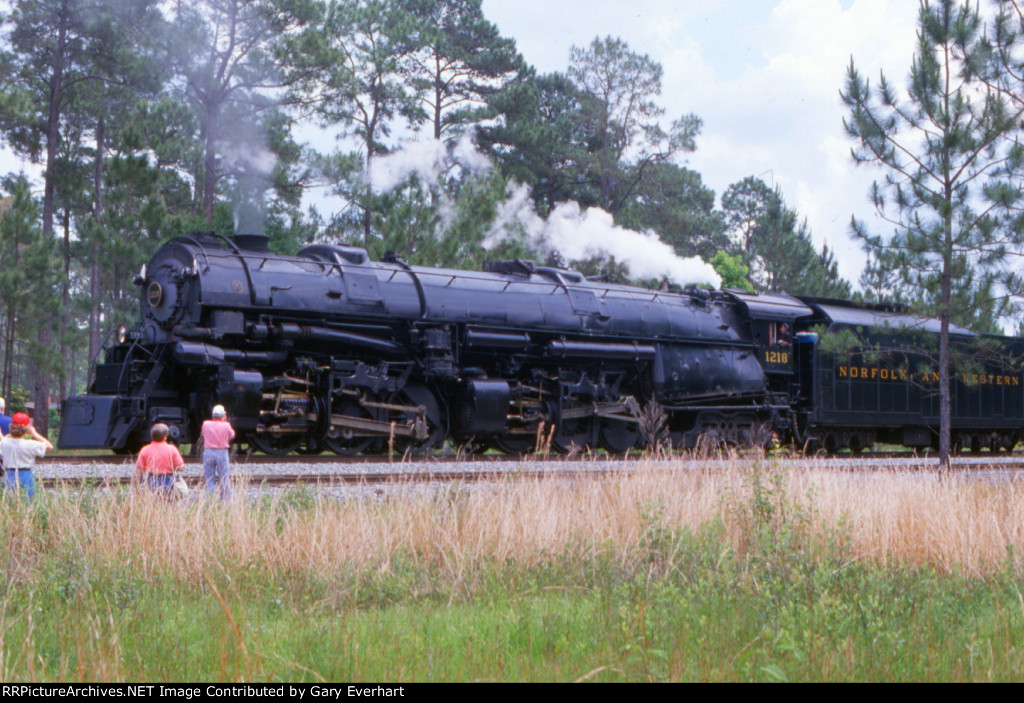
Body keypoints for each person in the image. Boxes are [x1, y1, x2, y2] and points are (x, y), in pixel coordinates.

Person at [0, 412, 52, 500]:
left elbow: (5, 438)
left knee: (10, 502)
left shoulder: (4, 443)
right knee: (27, 501)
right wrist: (34, 433)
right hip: (25, 474)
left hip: (9, 474)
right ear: (26, 429)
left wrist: (12, 433)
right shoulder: (29, 445)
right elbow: (49, 446)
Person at [135, 422, 185, 495]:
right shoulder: (171, 449)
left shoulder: (144, 450)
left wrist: (138, 486)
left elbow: (139, 470)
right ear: (165, 437)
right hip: (167, 482)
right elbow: (181, 467)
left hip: (150, 482)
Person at [201, 404, 235, 500]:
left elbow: (203, 434)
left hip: (208, 452)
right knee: (224, 477)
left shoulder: (205, 424)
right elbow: (232, 435)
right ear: (223, 416)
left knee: (209, 477)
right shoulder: (226, 425)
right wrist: (224, 422)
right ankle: (225, 500)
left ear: (213, 415)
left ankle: (209, 499)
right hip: (222, 452)